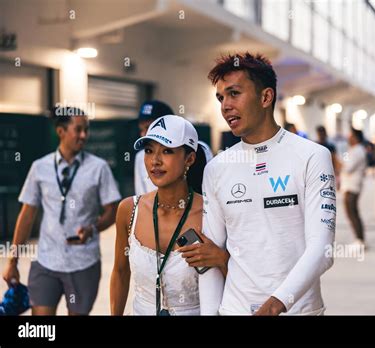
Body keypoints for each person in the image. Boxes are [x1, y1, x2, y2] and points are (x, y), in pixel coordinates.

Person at [198, 52, 335, 316]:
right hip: (233, 310)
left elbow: (323, 248)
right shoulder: (216, 168)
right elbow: (208, 257)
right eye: (220, 97)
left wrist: (275, 305)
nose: (225, 105)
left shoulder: (312, 156)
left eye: (234, 93)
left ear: (265, 97)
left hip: (298, 311)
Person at [2, 106, 121, 315]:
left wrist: (93, 228)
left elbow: (113, 210)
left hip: (83, 263)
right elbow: (27, 216)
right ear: (61, 131)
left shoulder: (99, 168)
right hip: (46, 261)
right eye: (78, 129)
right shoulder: (40, 168)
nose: (84, 135)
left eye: (86, 129)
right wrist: (13, 261)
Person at [110, 115, 229, 315]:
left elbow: (240, 283)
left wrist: (222, 259)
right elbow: (121, 273)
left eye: (167, 151)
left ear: (189, 159)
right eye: (149, 151)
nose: (155, 161)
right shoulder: (129, 210)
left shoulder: (211, 212)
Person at [134, 100, 174, 196]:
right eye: (141, 129)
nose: (143, 134)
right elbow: (140, 198)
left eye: (148, 127)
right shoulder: (140, 157)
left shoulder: (195, 149)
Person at [341, 128, 367, 247]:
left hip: (352, 186)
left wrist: (336, 161)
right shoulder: (354, 150)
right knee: (352, 212)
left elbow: (347, 168)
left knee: (352, 212)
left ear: (356, 137)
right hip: (349, 185)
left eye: (350, 135)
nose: (348, 137)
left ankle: (360, 240)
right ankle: (359, 239)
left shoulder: (358, 151)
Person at [316, 125, 342, 190]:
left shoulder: (330, 146)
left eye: (322, 133)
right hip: (318, 172)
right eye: (320, 133)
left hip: (329, 172)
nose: (321, 135)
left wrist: (338, 175)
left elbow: (335, 160)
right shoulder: (315, 145)